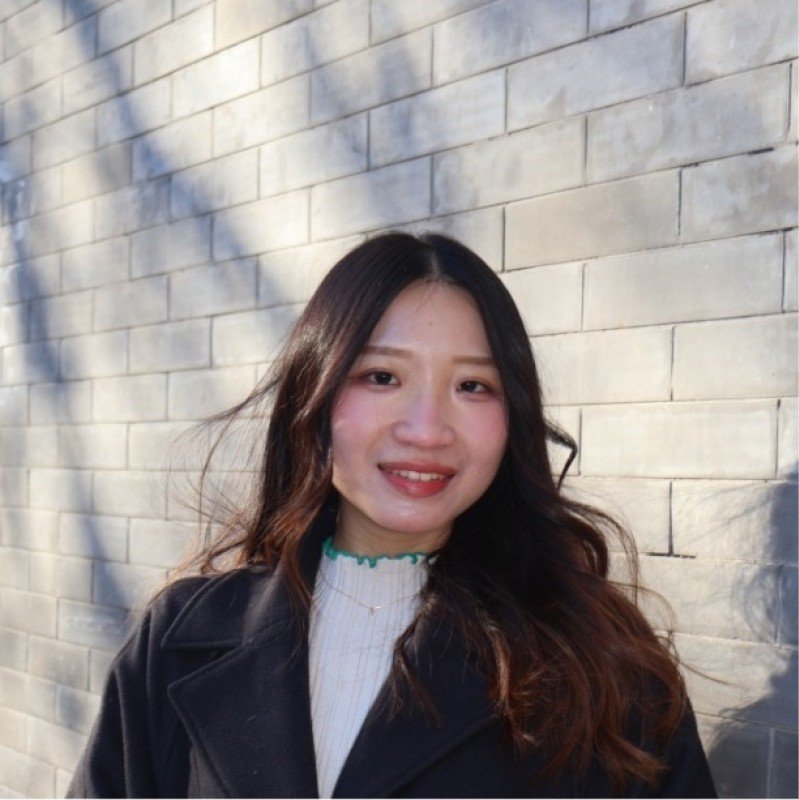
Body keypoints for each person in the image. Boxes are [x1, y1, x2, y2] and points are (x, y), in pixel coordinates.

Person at [68, 232, 717, 798]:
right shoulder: (178, 642)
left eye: (473, 386)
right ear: (315, 391)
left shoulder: (601, 666)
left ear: (513, 416)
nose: (426, 429)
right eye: (381, 377)